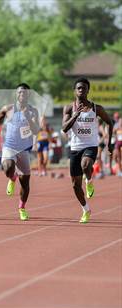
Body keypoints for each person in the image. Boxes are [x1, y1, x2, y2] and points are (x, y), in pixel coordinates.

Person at [62, 77, 113, 223]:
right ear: (74, 91)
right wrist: (75, 115)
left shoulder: (96, 108)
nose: (81, 90)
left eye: (84, 88)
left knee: (86, 165)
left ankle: (89, 180)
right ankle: (86, 209)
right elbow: (64, 128)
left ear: (88, 90)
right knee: (75, 185)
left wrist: (109, 143)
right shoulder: (69, 108)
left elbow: (109, 122)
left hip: (90, 145)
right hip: (75, 147)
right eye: (78, 88)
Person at [0, 83, 40, 221]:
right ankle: (12, 178)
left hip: (24, 150)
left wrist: (28, 117)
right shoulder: (8, 108)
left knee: (25, 184)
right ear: (16, 94)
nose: (21, 94)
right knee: (8, 167)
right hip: (9, 146)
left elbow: (35, 130)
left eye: (24, 92)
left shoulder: (33, 111)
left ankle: (22, 208)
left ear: (28, 95)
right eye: (19, 92)